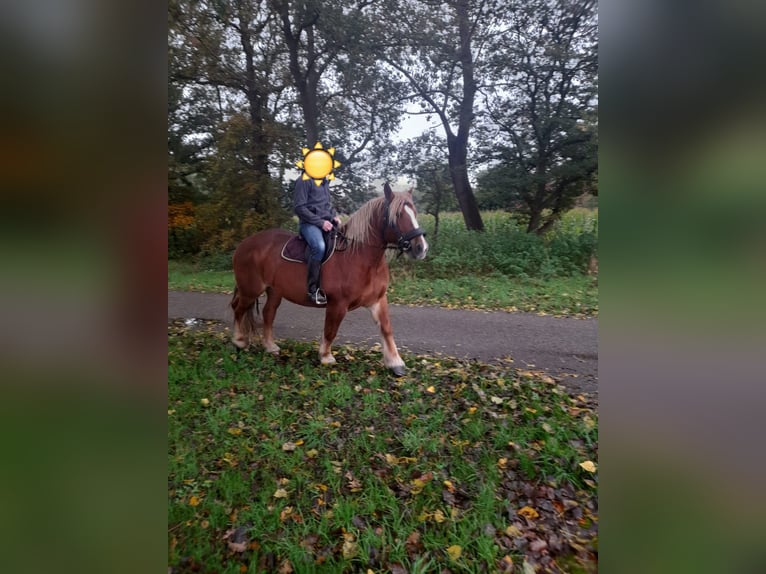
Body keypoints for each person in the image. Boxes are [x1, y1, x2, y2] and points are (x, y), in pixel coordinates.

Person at [293, 176, 341, 305]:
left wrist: (333, 216)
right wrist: (320, 222)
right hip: (309, 224)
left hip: (326, 222)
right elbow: (299, 208)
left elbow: (326, 205)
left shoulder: (324, 181)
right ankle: (313, 290)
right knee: (319, 247)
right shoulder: (304, 181)